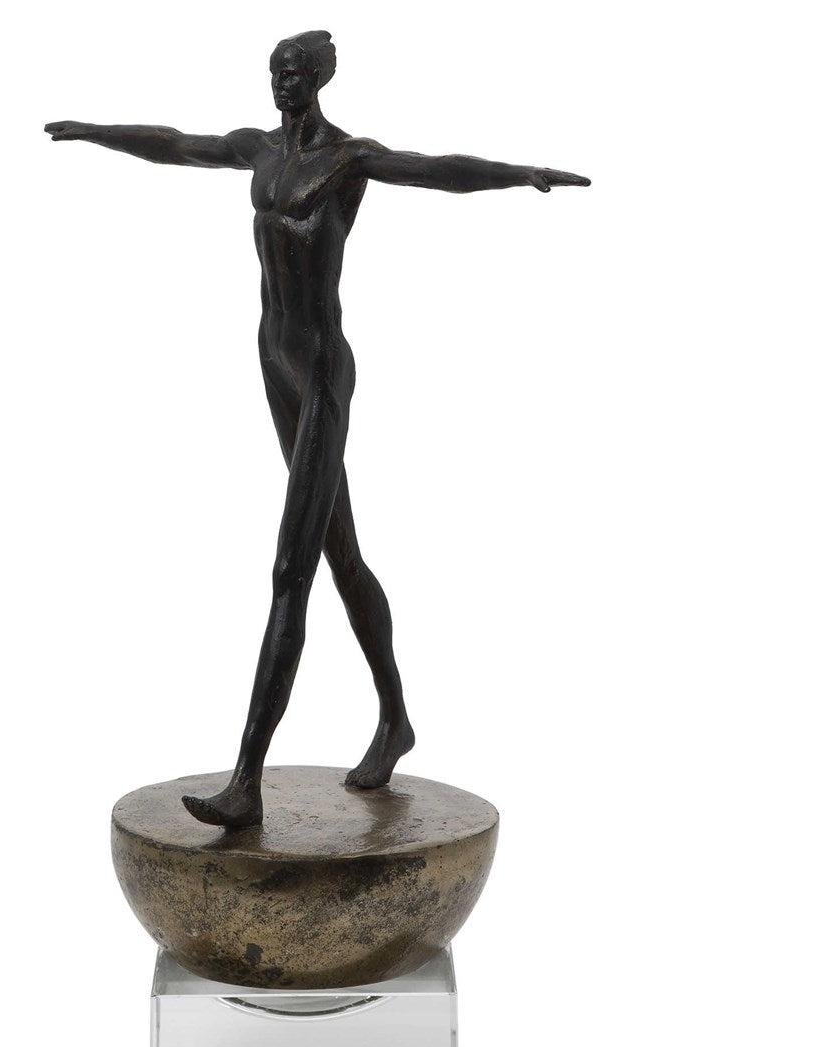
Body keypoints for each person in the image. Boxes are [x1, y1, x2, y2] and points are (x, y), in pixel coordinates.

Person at [47, 30, 589, 828]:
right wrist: (95, 131)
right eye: (274, 71)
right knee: (342, 556)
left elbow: (437, 170)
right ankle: (395, 718)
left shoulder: (347, 159)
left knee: (289, 570)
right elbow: (176, 144)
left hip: (324, 375)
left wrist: (521, 174)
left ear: (322, 78)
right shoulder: (260, 151)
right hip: (274, 362)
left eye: (295, 72)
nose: (281, 83)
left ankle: (246, 781)